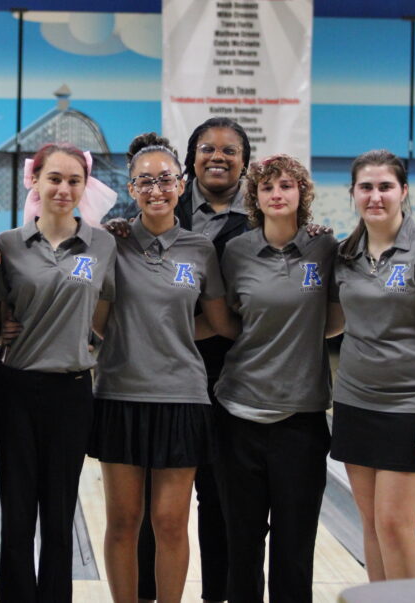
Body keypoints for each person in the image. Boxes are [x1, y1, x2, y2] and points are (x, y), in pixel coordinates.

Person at [89, 144, 237, 603]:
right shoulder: (111, 242)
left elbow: (216, 321)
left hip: (182, 397)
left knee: (170, 522)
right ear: (131, 189)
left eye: (166, 179)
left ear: (181, 185)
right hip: (120, 393)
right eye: (145, 181)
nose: (157, 189)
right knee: (124, 521)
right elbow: (100, 319)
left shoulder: (200, 249)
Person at [329, 149, 415, 581]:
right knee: (370, 524)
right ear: (352, 193)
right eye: (366, 187)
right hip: (354, 402)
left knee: (394, 524)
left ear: (404, 192)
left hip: (409, 408)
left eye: (385, 186)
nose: (375, 196)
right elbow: (334, 324)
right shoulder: (345, 253)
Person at [0, 142, 117, 603]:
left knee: (60, 514)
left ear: (85, 187)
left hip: (72, 393)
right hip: (16, 390)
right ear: (35, 182)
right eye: (55, 179)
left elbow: (105, 312)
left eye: (73, 181)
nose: (63, 189)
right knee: (18, 514)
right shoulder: (6, 244)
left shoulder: (103, 244)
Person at [135, 118, 250, 603]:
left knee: (221, 498)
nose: (217, 157)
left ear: (247, 160)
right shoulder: (161, 202)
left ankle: (218, 595)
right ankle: (146, 593)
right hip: (163, 375)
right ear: (190, 160)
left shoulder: (268, 214)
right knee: (152, 505)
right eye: (207, 149)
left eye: (229, 150)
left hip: (237, 375)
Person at [214, 154, 337, 602]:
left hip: (300, 423)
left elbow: (337, 316)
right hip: (238, 417)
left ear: (301, 193)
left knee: (295, 548)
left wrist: (301, 337)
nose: (277, 194)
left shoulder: (325, 248)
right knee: (243, 546)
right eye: (267, 188)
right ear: (256, 198)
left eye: (286, 185)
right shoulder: (236, 252)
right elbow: (226, 319)